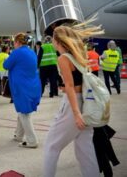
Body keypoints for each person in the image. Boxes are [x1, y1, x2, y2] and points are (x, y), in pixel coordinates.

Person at [43, 22, 103, 177]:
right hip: (87, 102)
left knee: (51, 145)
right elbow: (76, 82)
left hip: (73, 104)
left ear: (57, 41)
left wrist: (76, 114)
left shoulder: (63, 58)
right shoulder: (79, 55)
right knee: (85, 150)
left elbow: (70, 86)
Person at [3, 33, 41, 148]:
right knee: (23, 112)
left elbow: (6, 65)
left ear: (18, 42)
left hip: (21, 86)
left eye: (14, 42)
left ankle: (32, 141)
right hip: (33, 85)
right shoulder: (32, 52)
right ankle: (18, 135)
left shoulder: (17, 52)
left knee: (24, 114)